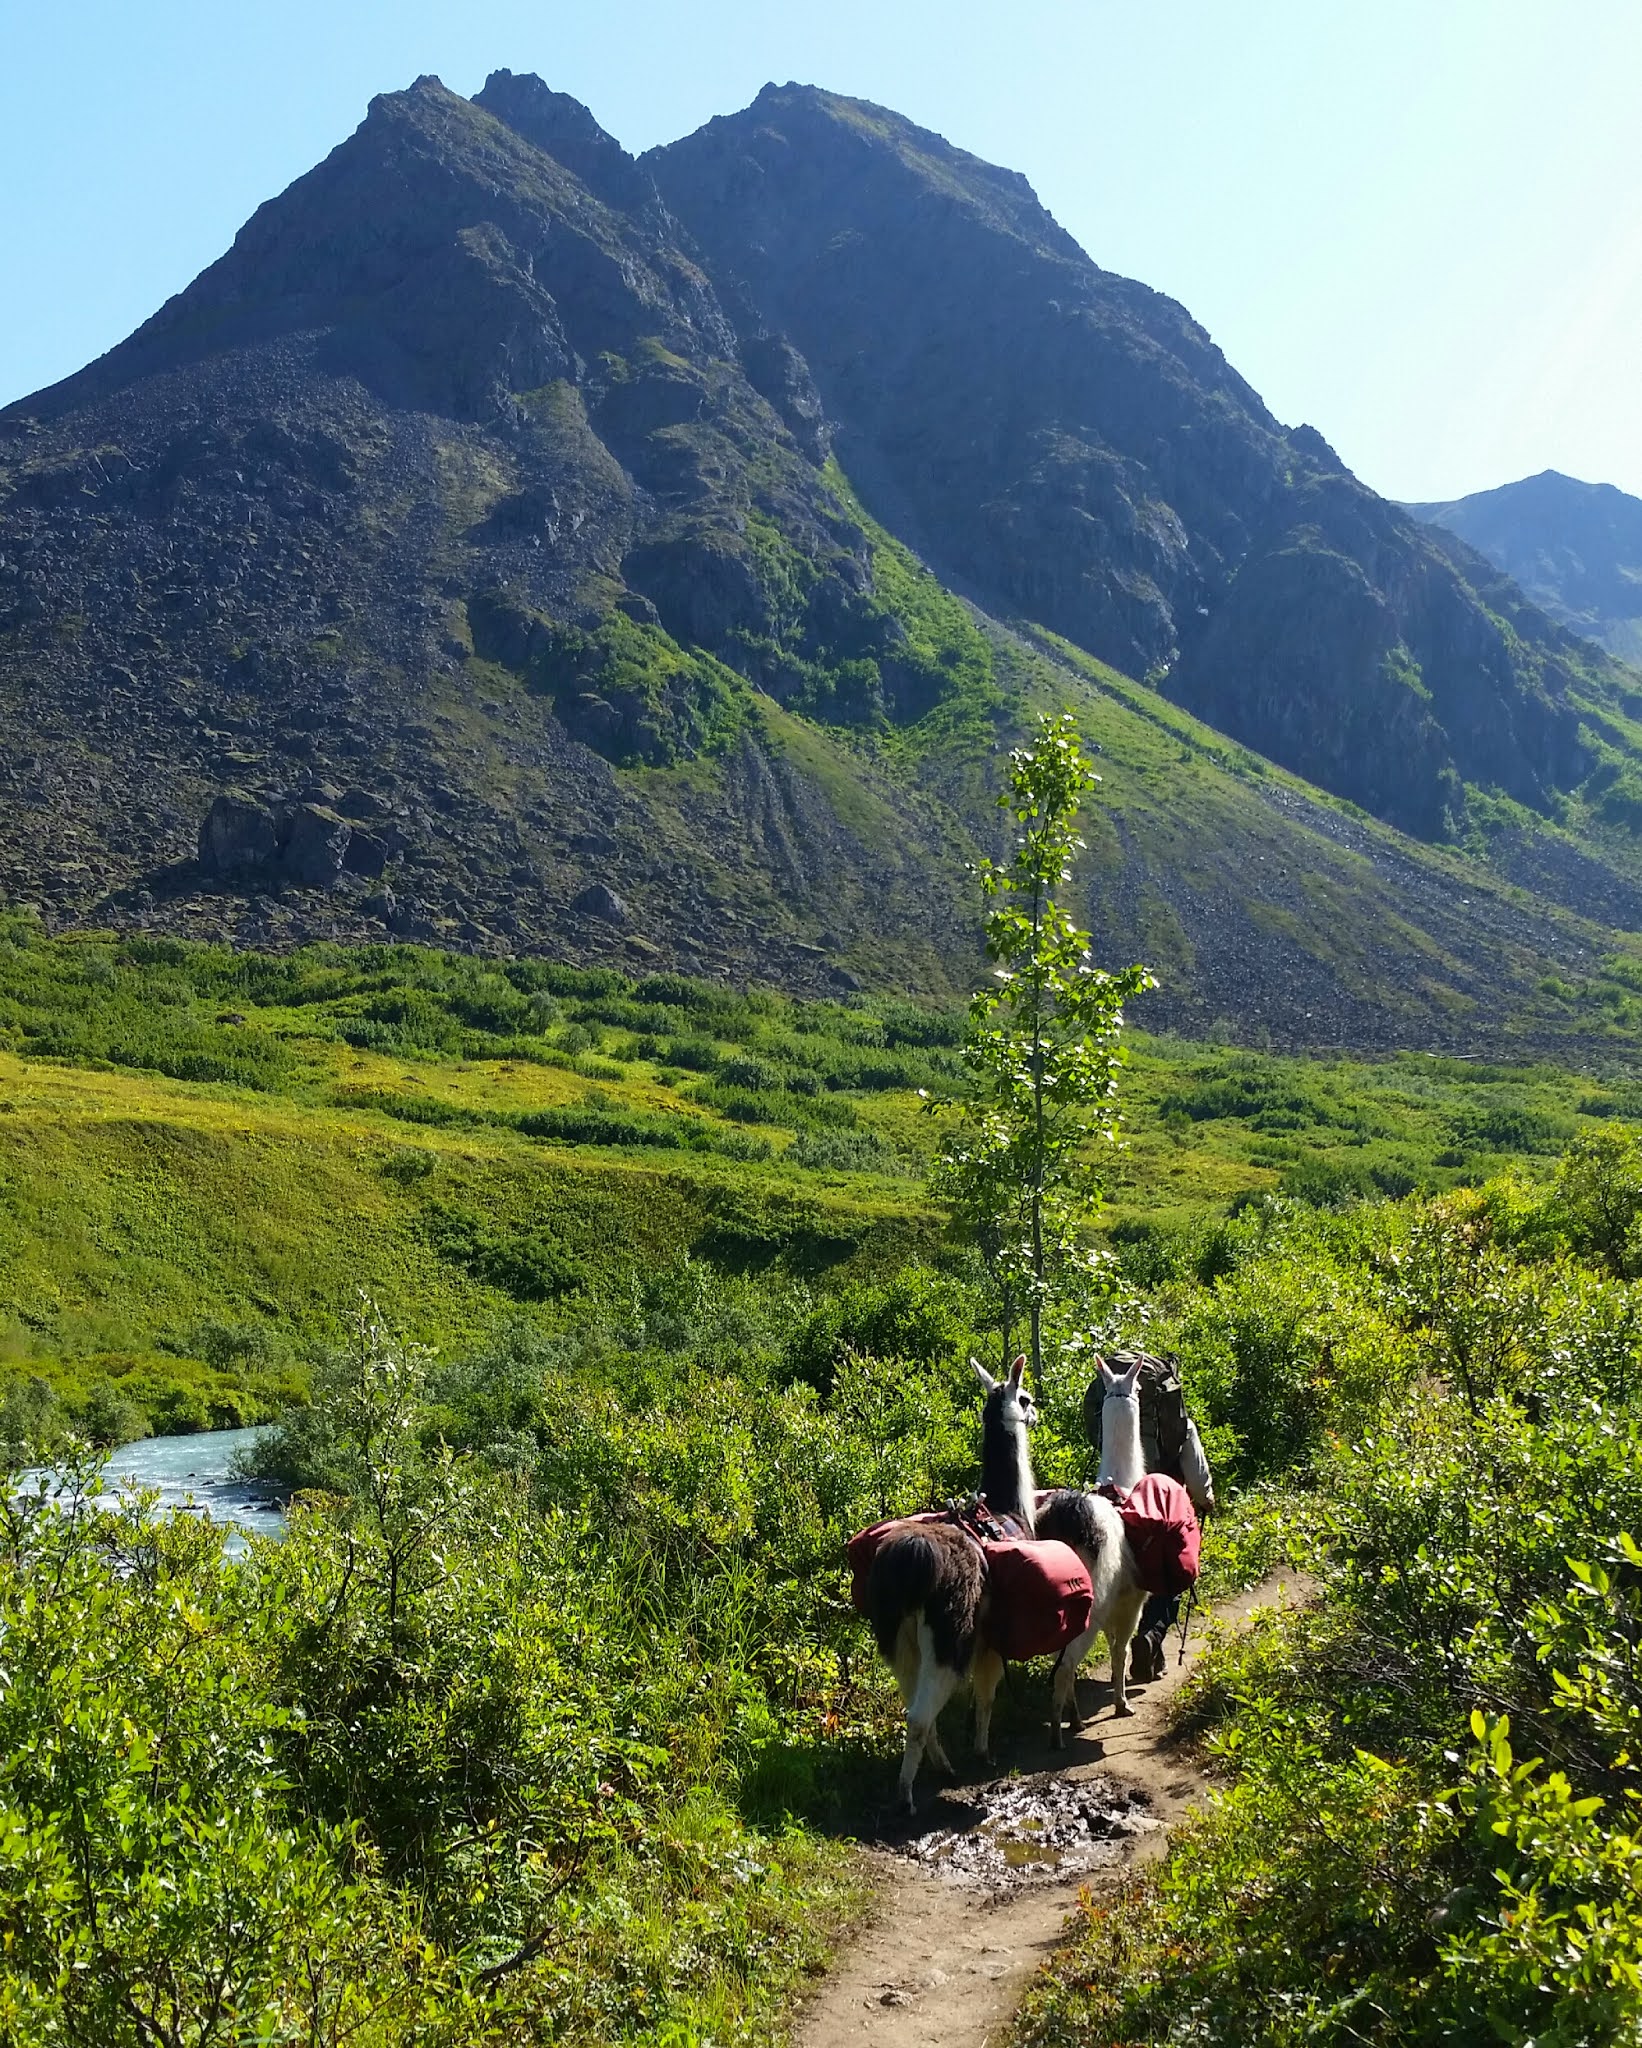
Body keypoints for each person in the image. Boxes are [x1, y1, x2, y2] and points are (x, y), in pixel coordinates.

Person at [1082, 1351, 1217, 1681]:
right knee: (1170, 1573)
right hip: (1162, 1511)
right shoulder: (1181, 1428)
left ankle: (1119, 1640)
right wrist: (1206, 1501)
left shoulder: (1111, 1414)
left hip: (1115, 1500)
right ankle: (1151, 1636)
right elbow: (1197, 1476)